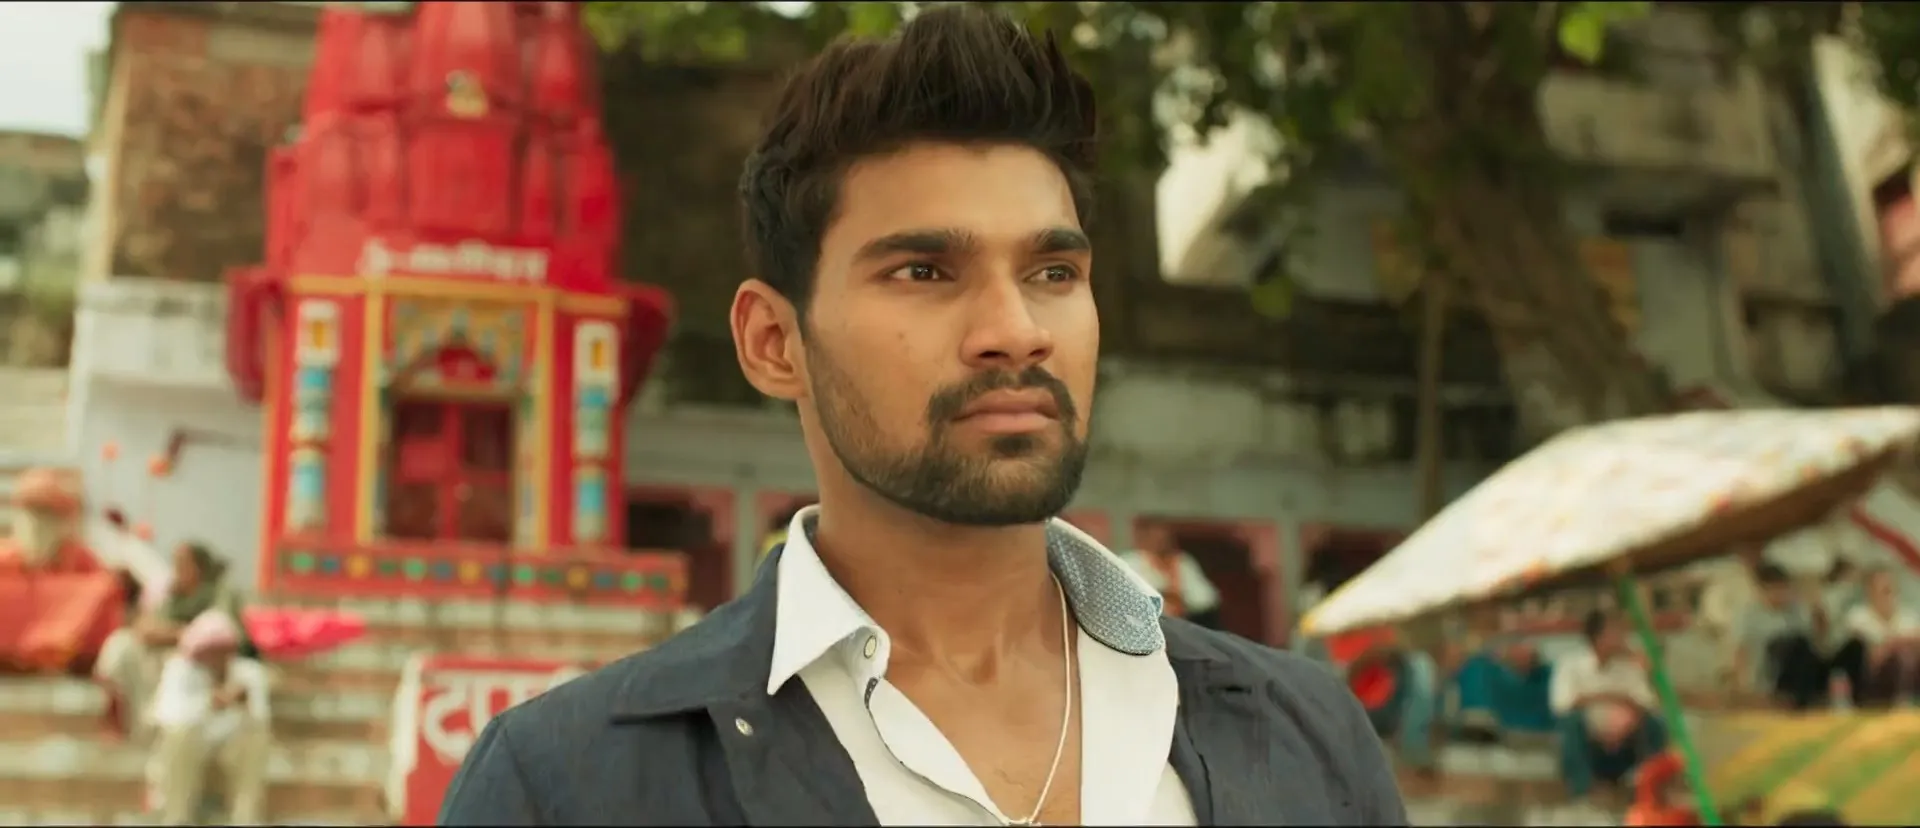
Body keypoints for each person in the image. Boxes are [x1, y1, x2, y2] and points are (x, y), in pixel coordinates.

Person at [439, 7, 1405, 825]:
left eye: (1052, 271)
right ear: (774, 342)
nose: (1016, 331)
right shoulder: (572, 786)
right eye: (925, 272)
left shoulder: (1307, 737)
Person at [95, 541, 243, 737]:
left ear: (198, 568)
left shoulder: (219, 591)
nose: (178, 570)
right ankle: (118, 719)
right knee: (121, 645)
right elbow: (147, 626)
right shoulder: (174, 592)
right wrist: (172, 632)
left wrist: (180, 634)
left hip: (204, 659)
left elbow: (218, 631)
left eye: (183, 564)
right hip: (164, 648)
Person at [149, 610, 271, 825]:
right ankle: (176, 818)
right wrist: (209, 702)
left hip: (230, 752)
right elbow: (168, 718)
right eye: (209, 650)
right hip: (191, 750)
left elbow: (260, 720)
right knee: (178, 736)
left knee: (256, 737)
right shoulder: (180, 671)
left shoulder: (250, 673)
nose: (214, 657)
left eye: (220, 650)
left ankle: (245, 818)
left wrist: (244, 702)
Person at [1549, 610, 1668, 802]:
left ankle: (1649, 787)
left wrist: (1648, 673)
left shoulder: (1629, 666)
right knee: (1570, 722)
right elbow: (1562, 704)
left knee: (1655, 723)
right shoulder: (1570, 665)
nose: (1621, 637)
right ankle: (1584, 788)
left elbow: (1648, 704)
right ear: (1597, 637)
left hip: (1623, 742)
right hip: (1590, 745)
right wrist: (1611, 696)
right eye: (1614, 632)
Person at [1837, 567, 1920, 706]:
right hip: (1871, 679)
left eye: (1890, 589)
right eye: (1883, 590)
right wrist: (1897, 644)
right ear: (1870, 592)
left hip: (1907, 674)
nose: (1888, 595)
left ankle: (1905, 701)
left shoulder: (1908, 617)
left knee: (1906, 657)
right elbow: (1870, 654)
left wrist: (1891, 645)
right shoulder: (1858, 617)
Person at [1118, 520, 1223, 629]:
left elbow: (1207, 599)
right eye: (1155, 536)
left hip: (1183, 624)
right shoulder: (1131, 561)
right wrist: (1163, 595)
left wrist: (1180, 597)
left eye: (1164, 538)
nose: (1160, 541)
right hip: (1142, 625)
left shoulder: (1183, 562)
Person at [1700, 545, 1765, 689]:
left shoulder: (1770, 574)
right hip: (1733, 642)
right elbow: (1713, 610)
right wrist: (1739, 624)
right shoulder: (1725, 577)